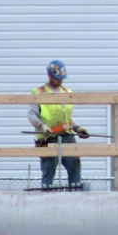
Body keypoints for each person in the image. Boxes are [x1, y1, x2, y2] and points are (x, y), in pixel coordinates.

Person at [28, 58, 90, 188]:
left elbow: (67, 118)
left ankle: (75, 192)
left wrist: (77, 128)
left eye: (61, 78)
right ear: (49, 75)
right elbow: (32, 115)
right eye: (57, 78)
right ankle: (46, 194)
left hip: (67, 135)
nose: (60, 81)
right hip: (48, 138)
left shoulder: (67, 93)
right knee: (48, 170)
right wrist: (42, 126)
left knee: (75, 167)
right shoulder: (39, 93)